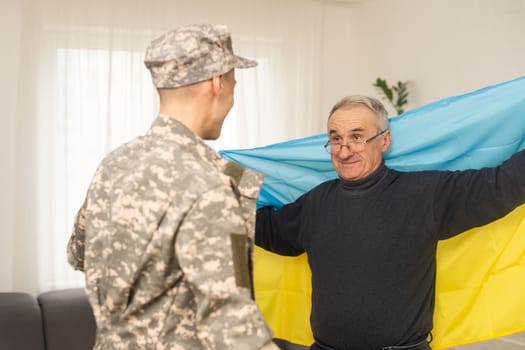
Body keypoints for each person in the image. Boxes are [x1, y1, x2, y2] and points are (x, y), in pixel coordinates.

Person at [67, 24, 280, 350]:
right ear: (217, 83)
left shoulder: (113, 166)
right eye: (234, 85)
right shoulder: (208, 185)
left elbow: (78, 254)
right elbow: (232, 326)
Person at [255, 95, 525, 350]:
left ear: (384, 141)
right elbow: (265, 229)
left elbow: (500, 186)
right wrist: (219, 184)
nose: (344, 150)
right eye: (336, 139)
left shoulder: (423, 194)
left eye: (357, 137)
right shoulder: (315, 202)